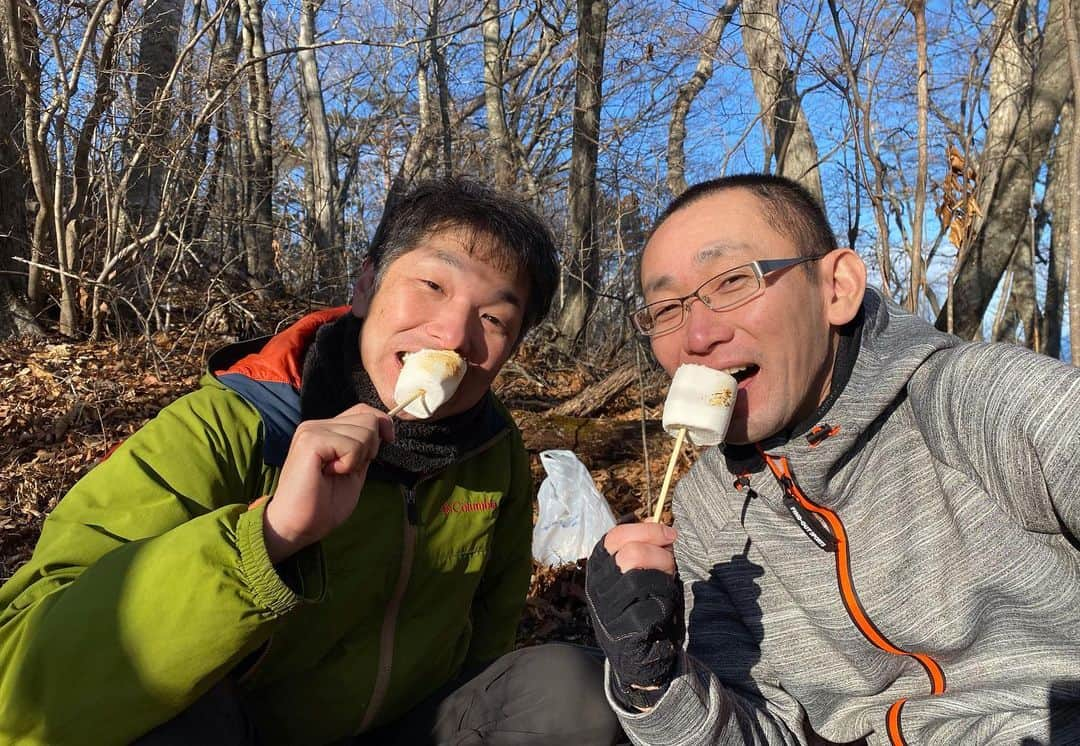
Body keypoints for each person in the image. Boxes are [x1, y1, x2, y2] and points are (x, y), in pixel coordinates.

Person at [0, 178, 621, 745]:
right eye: (432, 285)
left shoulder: (493, 453)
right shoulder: (229, 425)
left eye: (494, 318)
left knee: (570, 695)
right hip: (234, 733)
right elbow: (20, 680)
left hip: (407, 729)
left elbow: (491, 630)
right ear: (364, 285)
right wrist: (267, 538)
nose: (454, 335)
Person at [584, 173, 1080, 745]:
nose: (697, 334)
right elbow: (756, 732)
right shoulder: (705, 513)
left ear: (836, 288)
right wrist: (654, 684)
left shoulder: (975, 401)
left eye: (732, 281)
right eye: (665, 308)